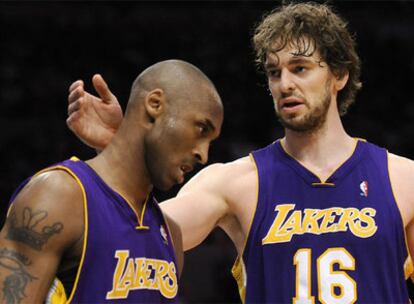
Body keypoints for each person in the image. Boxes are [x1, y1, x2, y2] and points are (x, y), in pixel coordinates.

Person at [67, 2, 414, 303]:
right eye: (274, 72)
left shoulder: (403, 179)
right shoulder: (234, 182)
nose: (285, 84)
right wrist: (120, 151)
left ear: (338, 76)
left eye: (300, 68)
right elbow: (142, 237)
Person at [0, 60, 223, 303]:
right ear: (154, 104)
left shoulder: (171, 233)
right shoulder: (58, 196)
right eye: (201, 129)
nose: (204, 154)